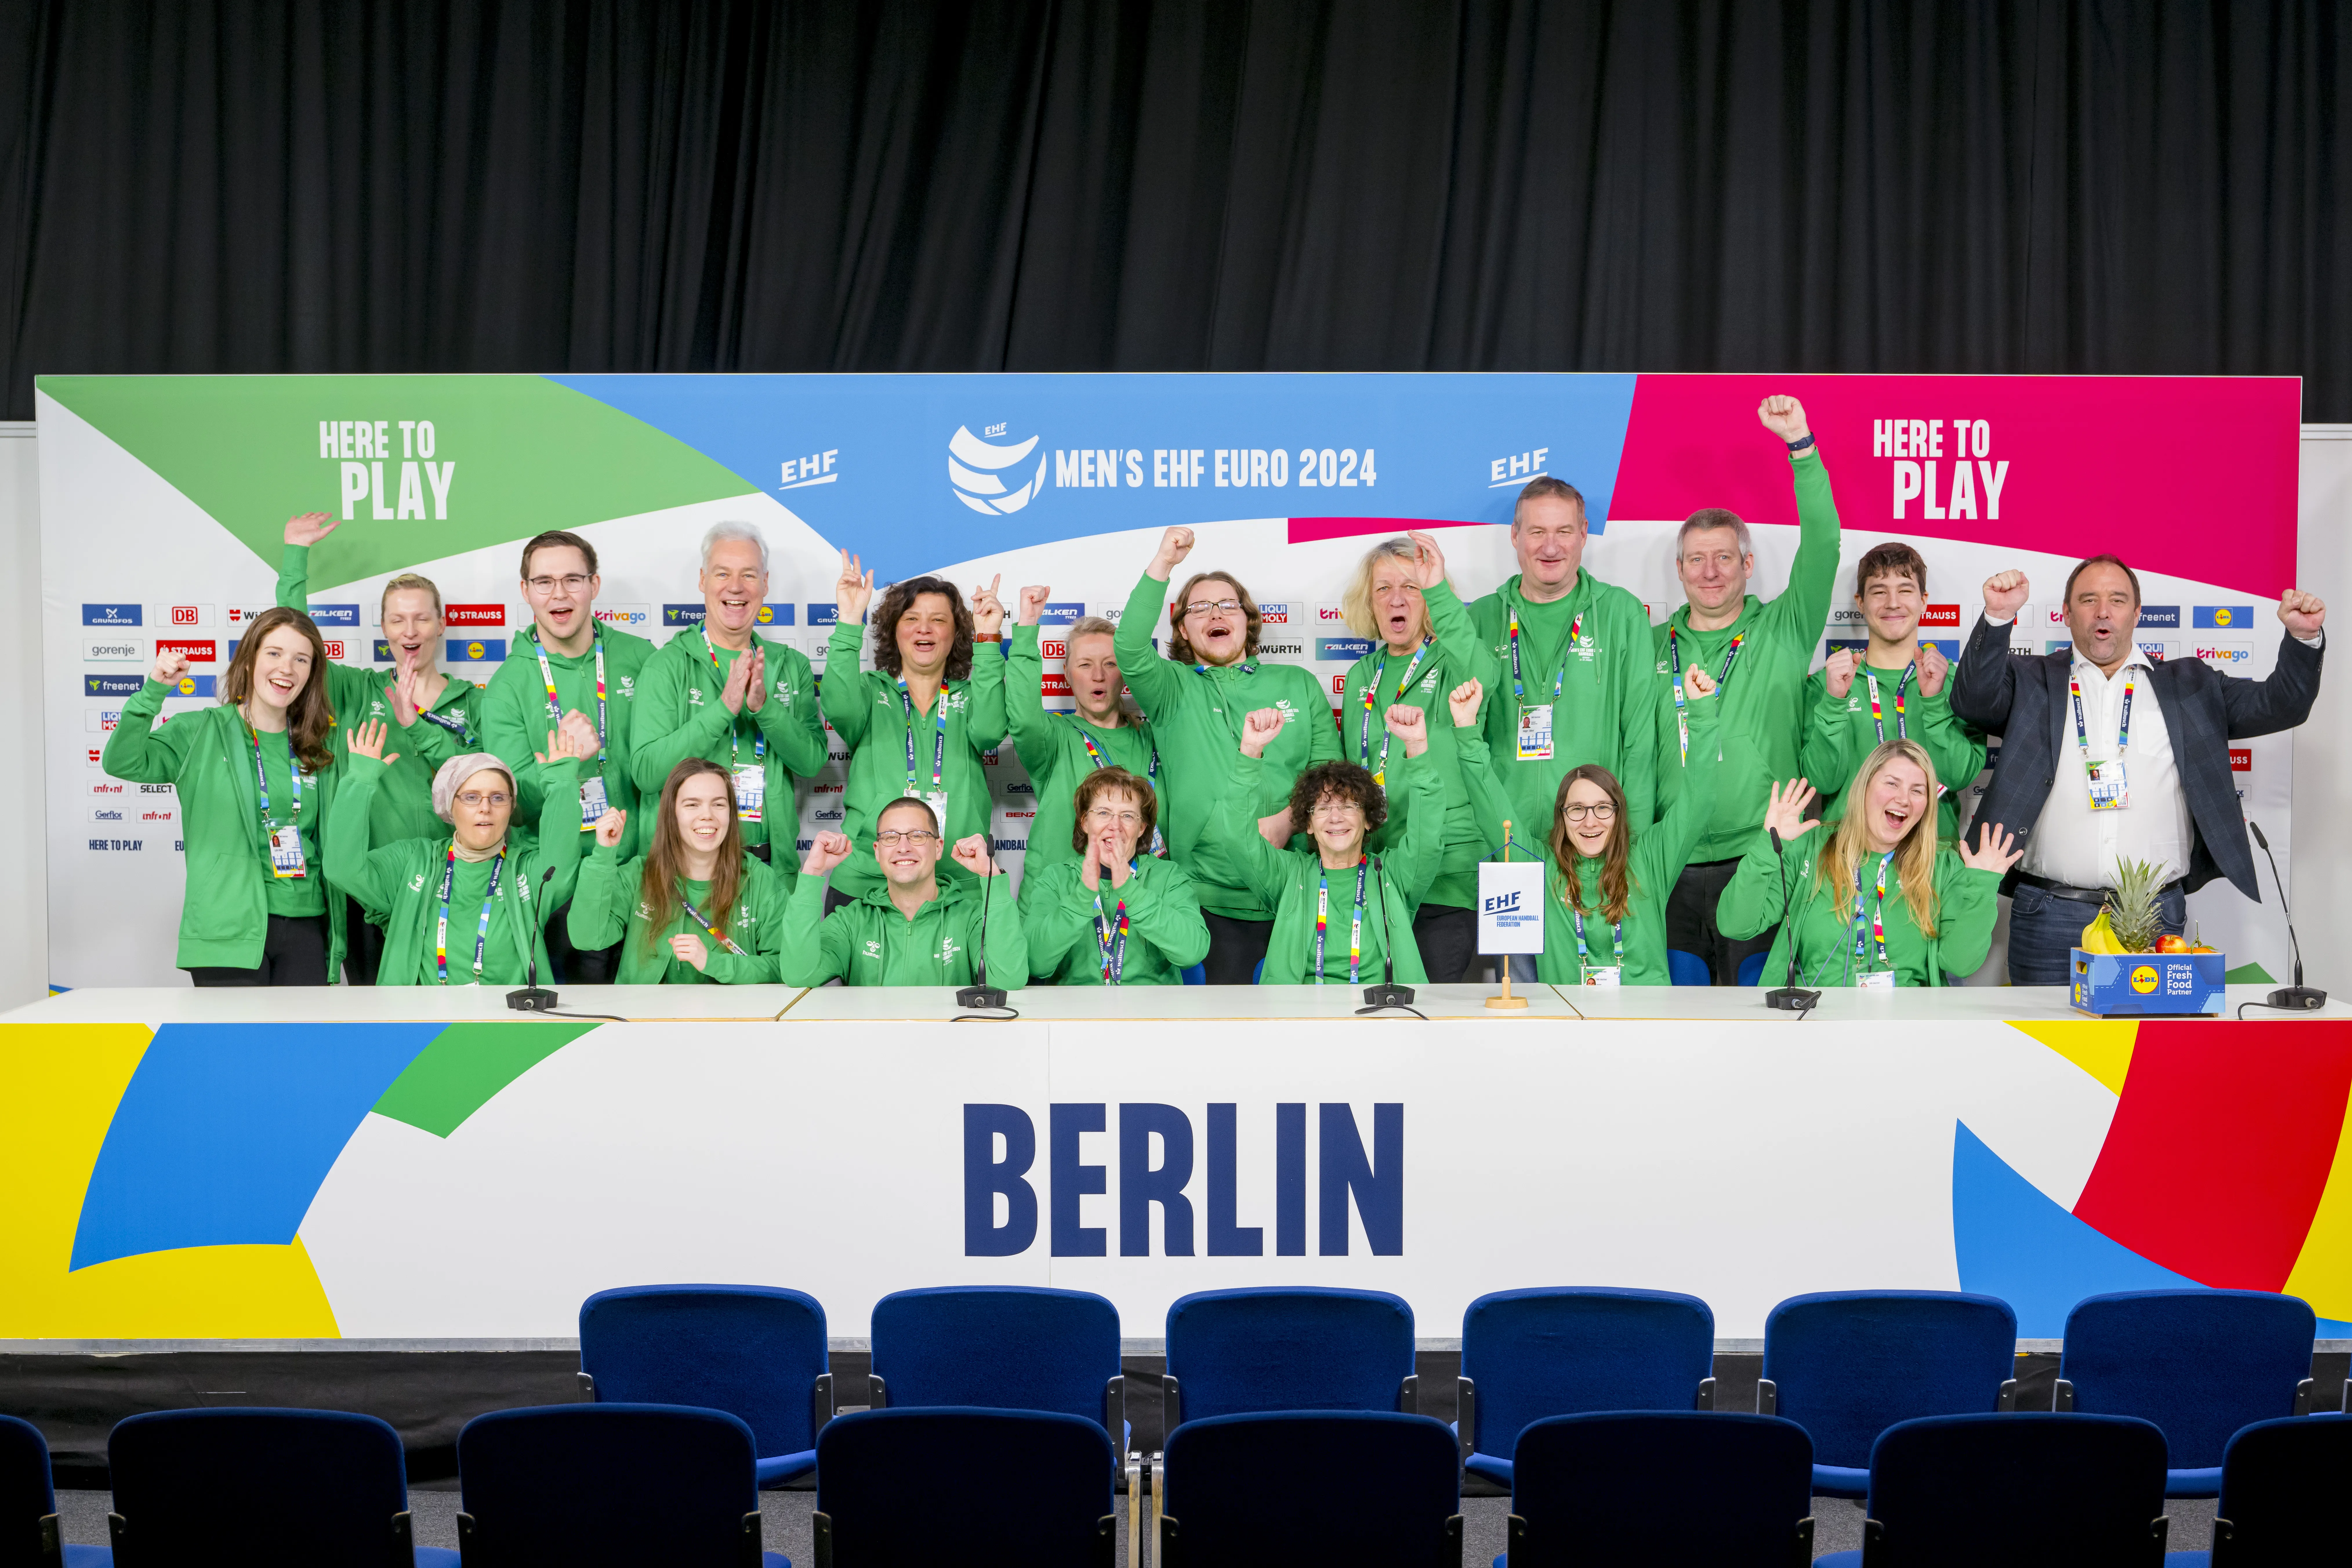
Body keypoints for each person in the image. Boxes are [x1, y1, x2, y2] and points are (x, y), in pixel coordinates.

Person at [1950, 557, 2326, 984]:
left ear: (2137, 612)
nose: (2102, 611)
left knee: (2147, 1047)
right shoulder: (2030, 678)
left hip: (2152, 914)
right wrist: (1998, 618)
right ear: (2067, 613)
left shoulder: (2193, 684)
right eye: (2088, 600)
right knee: (2045, 1046)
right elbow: (1973, 702)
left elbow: (2282, 704)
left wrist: (2302, 637)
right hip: (2048, 913)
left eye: (2116, 599)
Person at [1651, 394, 1844, 985]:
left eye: (1723, 559)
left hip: (1760, 856)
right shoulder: (1650, 647)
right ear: (1679, 570)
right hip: (1671, 861)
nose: (1710, 572)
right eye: (1696, 560)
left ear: (1748, 564)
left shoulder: (1783, 628)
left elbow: (1823, 544)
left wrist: (1801, 449)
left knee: (1758, 1019)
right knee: (1675, 1021)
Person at [1415, 473, 1661, 902]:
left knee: (1590, 966)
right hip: (1504, 840)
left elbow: (1640, 741)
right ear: (1514, 535)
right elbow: (1464, 732)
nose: (1551, 547)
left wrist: (1631, 842)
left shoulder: (1621, 613)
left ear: (1583, 534)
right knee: (1519, 972)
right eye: (1537, 532)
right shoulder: (1484, 617)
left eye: (1564, 531)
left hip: (1595, 844)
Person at [1114, 526, 1339, 982]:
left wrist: (1287, 821)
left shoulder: (1296, 684)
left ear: (1247, 620)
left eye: (1226, 604)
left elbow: (1329, 779)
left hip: (1292, 890)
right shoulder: (1170, 688)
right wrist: (1163, 562)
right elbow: (1130, 647)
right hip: (1207, 899)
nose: (1214, 613)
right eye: (1199, 608)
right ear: (1182, 628)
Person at [103, 608, 353, 984]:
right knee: (238, 1045)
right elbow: (123, 761)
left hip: (305, 922)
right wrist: (154, 690)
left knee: (298, 1044)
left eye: (301, 659)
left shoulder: (318, 745)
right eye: (274, 653)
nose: (287, 667)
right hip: (227, 925)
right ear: (250, 660)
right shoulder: (201, 729)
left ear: (311, 673)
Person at [278, 511, 478, 983]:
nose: (410, 630)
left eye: (421, 618)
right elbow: (293, 636)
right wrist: (295, 557)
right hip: (368, 886)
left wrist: (417, 726)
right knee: (377, 1013)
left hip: (447, 883)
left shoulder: (473, 702)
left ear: (441, 624)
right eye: (397, 619)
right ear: (384, 628)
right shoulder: (354, 691)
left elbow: (480, 786)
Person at [1456, 666, 1724, 985]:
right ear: (1561, 817)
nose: (1590, 821)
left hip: (1645, 1023)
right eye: (1577, 809)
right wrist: (1466, 730)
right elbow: (1491, 811)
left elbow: (1699, 800)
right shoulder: (1542, 869)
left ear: (1618, 813)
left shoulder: (1652, 859)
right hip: (1571, 1024)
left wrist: (1703, 714)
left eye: (1602, 808)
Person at [480, 529, 658, 983]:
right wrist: (566, 765)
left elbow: (664, 764)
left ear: (594, 586)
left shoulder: (641, 657)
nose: (558, 593)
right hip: (560, 883)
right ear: (525, 591)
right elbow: (514, 804)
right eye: (543, 581)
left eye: (572, 579)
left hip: (639, 872)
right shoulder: (507, 684)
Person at [1719, 747, 2021, 988]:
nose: (1903, 798)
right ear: (1863, 788)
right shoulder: (1811, 847)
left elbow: (1959, 964)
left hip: (1904, 1029)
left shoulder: (1941, 864)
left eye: (1918, 790)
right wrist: (1766, 847)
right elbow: (1736, 925)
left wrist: (1982, 886)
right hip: (1816, 1023)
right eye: (1892, 783)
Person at [630, 520, 825, 886]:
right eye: (723, 573)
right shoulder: (667, 665)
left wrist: (765, 709)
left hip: (769, 869)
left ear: (765, 584)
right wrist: (723, 710)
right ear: (703, 580)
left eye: (749, 575)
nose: (735, 587)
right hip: (684, 874)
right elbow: (646, 773)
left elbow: (812, 762)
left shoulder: (790, 665)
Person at [328, 721, 595, 985]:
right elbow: (343, 869)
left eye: (498, 798)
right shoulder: (414, 860)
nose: (485, 808)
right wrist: (360, 781)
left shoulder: (526, 869)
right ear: (449, 806)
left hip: (509, 1020)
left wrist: (562, 784)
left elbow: (560, 870)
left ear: (511, 807)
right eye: (471, 797)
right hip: (426, 1023)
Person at [1329, 538, 1485, 980]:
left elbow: (1483, 671)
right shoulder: (1363, 673)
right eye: (1383, 589)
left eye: (1410, 587)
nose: (1395, 598)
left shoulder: (1453, 658)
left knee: (1427, 1009)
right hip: (1382, 872)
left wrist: (1438, 587)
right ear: (1369, 603)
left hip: (1445, 874)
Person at [821, 552, 1009, 910]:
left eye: (938, 620)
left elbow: (989, 732)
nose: (924, 628)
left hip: (959, 881)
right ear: (895, 630)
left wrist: (987, 640)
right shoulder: (869, 691)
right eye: (911, 619)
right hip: (867, 882)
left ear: (955, 635)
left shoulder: (972, 697)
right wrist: (848, 621)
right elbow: (838, 706)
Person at [1207, 702, 1443, 985]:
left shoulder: (1392, 874)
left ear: (1368, 819)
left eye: (1348, 806)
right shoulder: (1288, 874)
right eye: (1322, 808)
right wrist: (1250, 752)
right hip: (1301, 1020)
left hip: (1381, 1018)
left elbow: (1428, 837)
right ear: (1307, 823)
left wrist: (1416, 747)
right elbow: (1236, 837)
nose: (1335, 817)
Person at [1800, 542, 1987, 844]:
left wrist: (1935, 702)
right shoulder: (1827, 685)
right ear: (1859, 602)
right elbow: (1822, 781)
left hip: (1932, 860)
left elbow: (1959, 777)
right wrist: (1834, 703)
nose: (1892, 603)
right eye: (1878, 591)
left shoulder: (1954, 682)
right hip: (1845, 861)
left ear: (1923, 601)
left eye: (1904, 590)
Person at [567, 761, 794, 983]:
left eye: (718, 804)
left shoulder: (760, 879)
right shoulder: (638, 874)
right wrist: (602, 856)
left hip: (728, 1018)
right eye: (692, 805)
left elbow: (784, 967)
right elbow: (587, 938)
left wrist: (714, 963)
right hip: (645, 1017)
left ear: (731, 813)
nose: (707, 815)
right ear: (672, 813)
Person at [1005, 588, 1159, 911]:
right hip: (1056, 906)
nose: (1098, 675)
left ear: (1126, 674)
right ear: (1067, 674)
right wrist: (1026, 630)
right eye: (1085, 664)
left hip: (1132, 907)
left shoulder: (1153, 739)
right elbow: (1022, 717)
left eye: (1110, 664)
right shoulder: (1054, 737)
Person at [779, 798, 1028, 987]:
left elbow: (1008, 979)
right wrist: (812, 872)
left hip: (952, 1048)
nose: (903, 847)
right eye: (890, 837)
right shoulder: (851, 920)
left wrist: (991, 877)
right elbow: (800, 974)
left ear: (938, 847)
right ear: (877, 851)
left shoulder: (971, 918)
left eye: (917, 836)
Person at [1022, 766, 1210, 985]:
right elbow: (1035, 963)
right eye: (1103, 813)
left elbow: (1192, 953)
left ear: (1141, 828)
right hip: (1077, 1014)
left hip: (1151, 1014)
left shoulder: (1168, 876)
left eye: (1128, 816)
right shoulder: (1055, 878)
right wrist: (1082, 896)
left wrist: (1132, 892)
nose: (1115, 826)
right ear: (1085, 822)